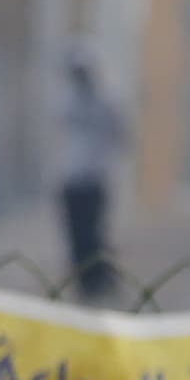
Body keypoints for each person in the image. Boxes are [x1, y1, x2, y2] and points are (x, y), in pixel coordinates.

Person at [58, 46, 131, 304]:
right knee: (77, 235)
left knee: (94, 234)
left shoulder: (106, 101)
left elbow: (121, 133)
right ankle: (85, 282)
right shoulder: (67, 100)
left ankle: (100, 280)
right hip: (72, 179)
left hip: (94, 178)